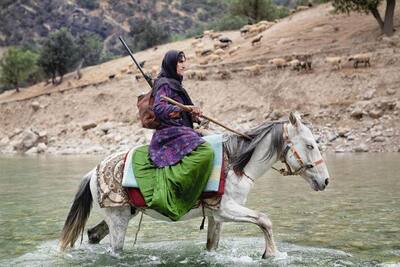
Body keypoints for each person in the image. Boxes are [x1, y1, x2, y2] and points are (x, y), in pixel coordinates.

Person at [133, 50, 214, 221]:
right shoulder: (164, 84)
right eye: (180, 62)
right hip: (169, 133)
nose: (184, 65)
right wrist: (183, 109)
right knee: (206, 152)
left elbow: (184, 112)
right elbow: (160, 109)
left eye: (185, 61)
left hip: (181, 128)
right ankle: (178, 187)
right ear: (171, 64)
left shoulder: (174, 84)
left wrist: (193, 115)